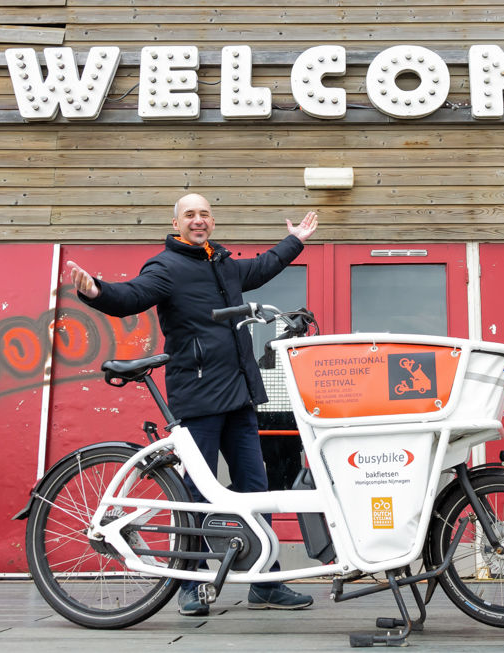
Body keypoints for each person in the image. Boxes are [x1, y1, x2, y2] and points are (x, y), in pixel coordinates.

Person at [68, 193, 318, 617]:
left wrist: (294, 241)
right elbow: (131, 296)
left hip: (240, 395)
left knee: (254, 489)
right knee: (196, 493)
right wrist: (96, 291)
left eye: (203, 214)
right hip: (199, 396)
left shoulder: (223, 264)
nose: (197, 220)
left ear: (212, 221)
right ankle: (189, 582)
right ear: (176, 223)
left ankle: (265, 579)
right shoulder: (166, 267)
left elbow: (261, 268)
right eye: (190, 215)